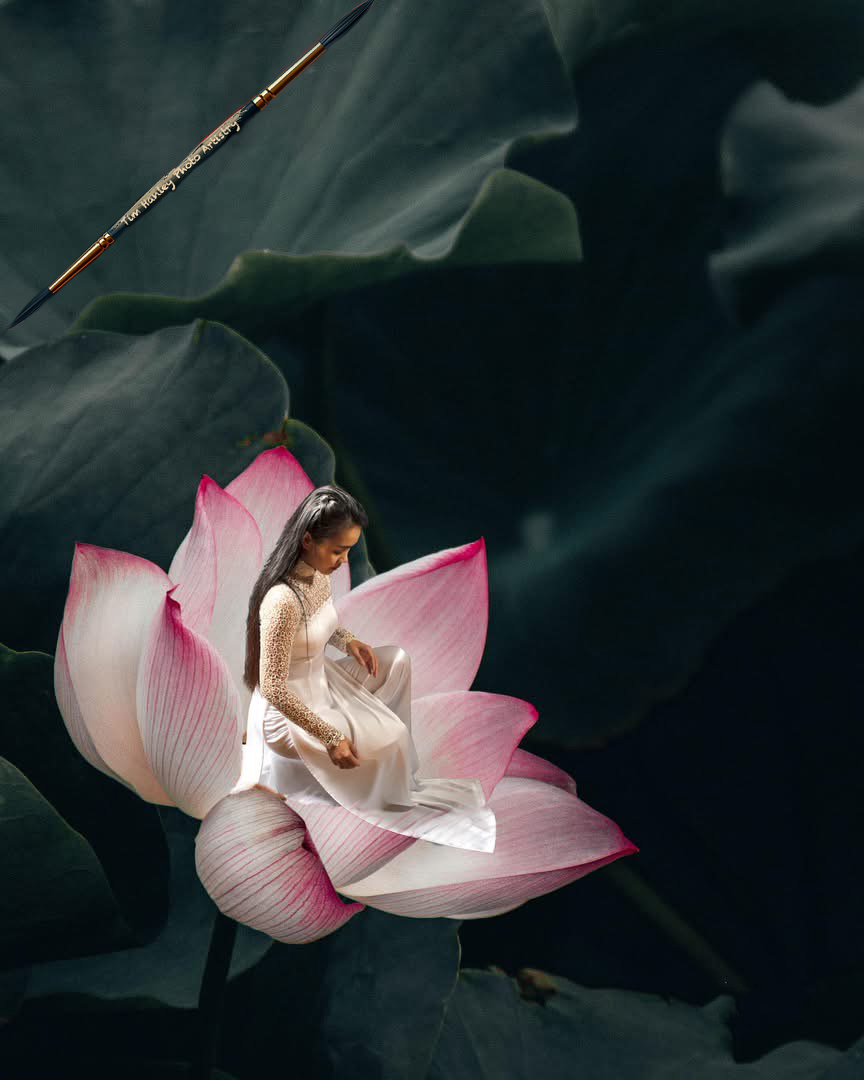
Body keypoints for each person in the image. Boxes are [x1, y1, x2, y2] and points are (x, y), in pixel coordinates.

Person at [242, 485, 496, 852]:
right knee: (389, 740)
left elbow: (324, 628)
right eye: (338, 551)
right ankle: (379, 794)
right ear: (308, 541)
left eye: (348, 551)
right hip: (284, 713)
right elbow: (272, 687)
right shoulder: (281, 600)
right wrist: (330, 737)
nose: (344, 560)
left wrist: (351, 644)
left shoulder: (318, 581)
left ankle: (376, 764)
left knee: (393, 663)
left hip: (321, 681)